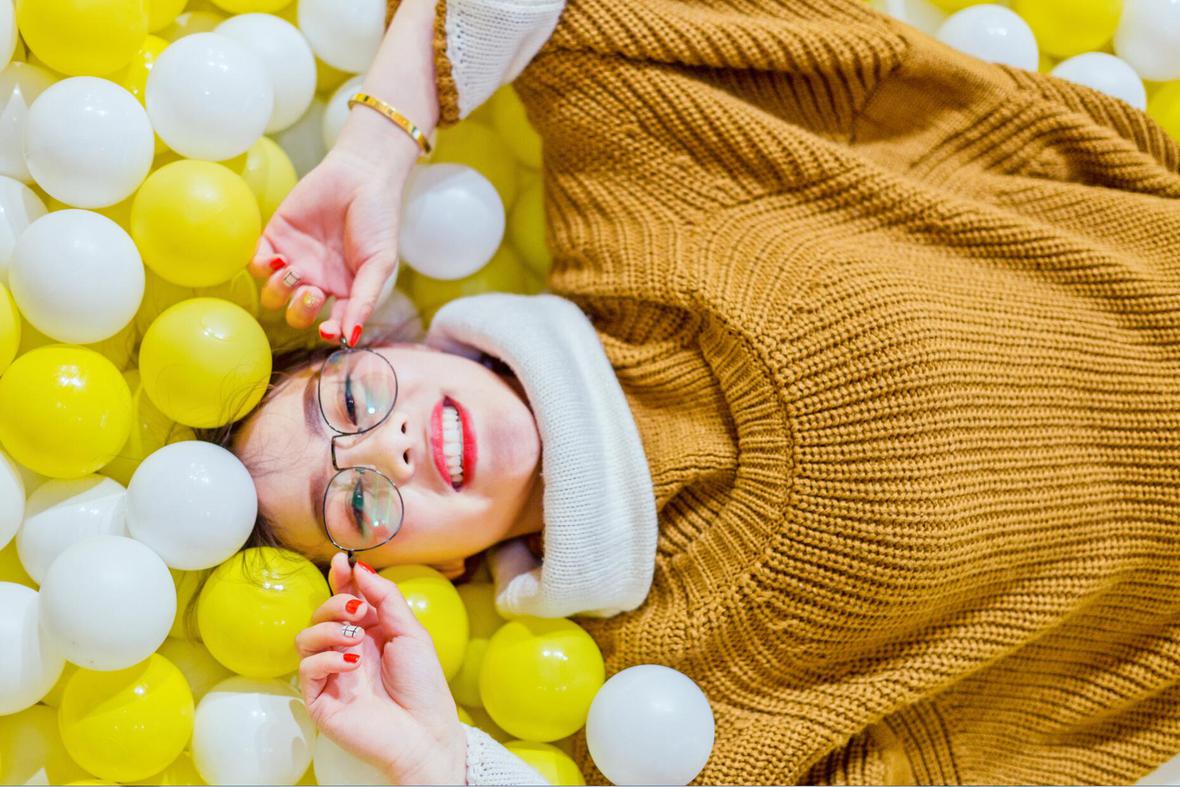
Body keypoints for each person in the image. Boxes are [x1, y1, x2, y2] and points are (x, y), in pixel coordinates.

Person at [223, 0, 1180, 783]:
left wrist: (375, 147)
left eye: (350, 403)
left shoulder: (647, 210)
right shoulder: (669, 693)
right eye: (356, 503)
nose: (387, 447)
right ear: (427, 572)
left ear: (386, 339)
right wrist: (438, 764)